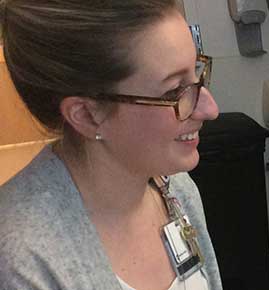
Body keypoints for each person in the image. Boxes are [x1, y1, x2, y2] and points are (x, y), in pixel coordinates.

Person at [0, 0, 222, 289]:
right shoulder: (22, 259)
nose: (210, 109)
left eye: (196, 72)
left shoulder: (176, 188)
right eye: (175, 90)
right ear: (88, 116)